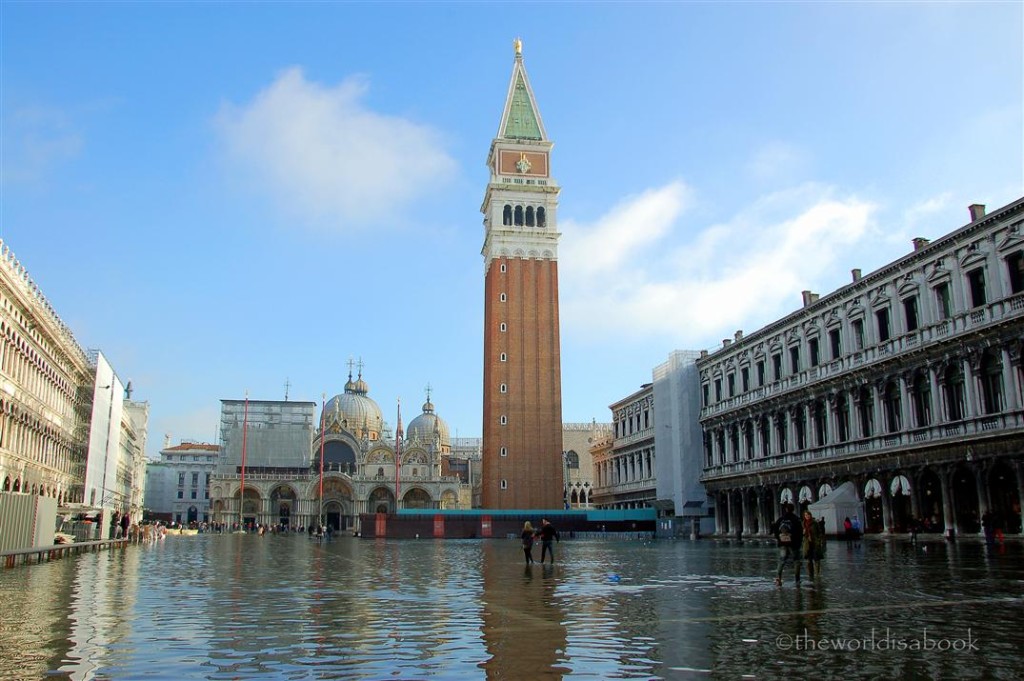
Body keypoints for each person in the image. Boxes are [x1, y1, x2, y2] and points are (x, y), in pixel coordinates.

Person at [772, 503, 803, 586]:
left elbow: (775, 530)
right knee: (796, 561)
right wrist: (799, 543)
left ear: (785, 509)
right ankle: (797, 580)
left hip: (783, 544)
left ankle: (778, 579)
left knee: (781, 561)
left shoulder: (780, 519)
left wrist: (779, 540)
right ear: (793, 509)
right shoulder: (796, 519)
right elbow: (800, 532)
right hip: (794, 544)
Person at [801, 511, 825, 578]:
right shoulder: (803, 523)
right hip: (807, 543)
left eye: (808, 515)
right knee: (809, 560)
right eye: (805, 515)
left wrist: (819, 540)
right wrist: (803, 533)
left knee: (816, 559)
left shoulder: (815, 523)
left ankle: (817, 574)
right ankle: (811, 575)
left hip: (815, 543)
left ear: (810, 515)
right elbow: (802, 533)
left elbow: (820, 532)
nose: (807, 516)